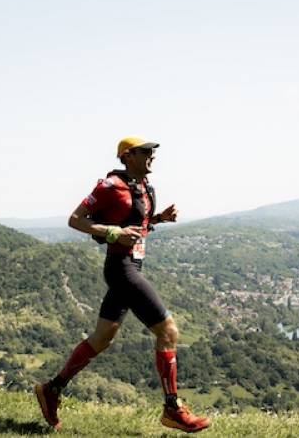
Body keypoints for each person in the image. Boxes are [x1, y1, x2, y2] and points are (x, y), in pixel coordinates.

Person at [35, 137, 211, 433]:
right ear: (127, 156)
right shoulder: (109, 186)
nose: (152, 156)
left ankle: (52, 389)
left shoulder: (143, 187)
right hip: (122, 269)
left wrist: (158, 219)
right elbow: (75, 220)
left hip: (131, 266)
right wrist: (113, 233)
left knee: (102, 338)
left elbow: (136, 225)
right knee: (168, 331)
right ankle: (172, 408)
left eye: (153, 151)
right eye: (146, 151)